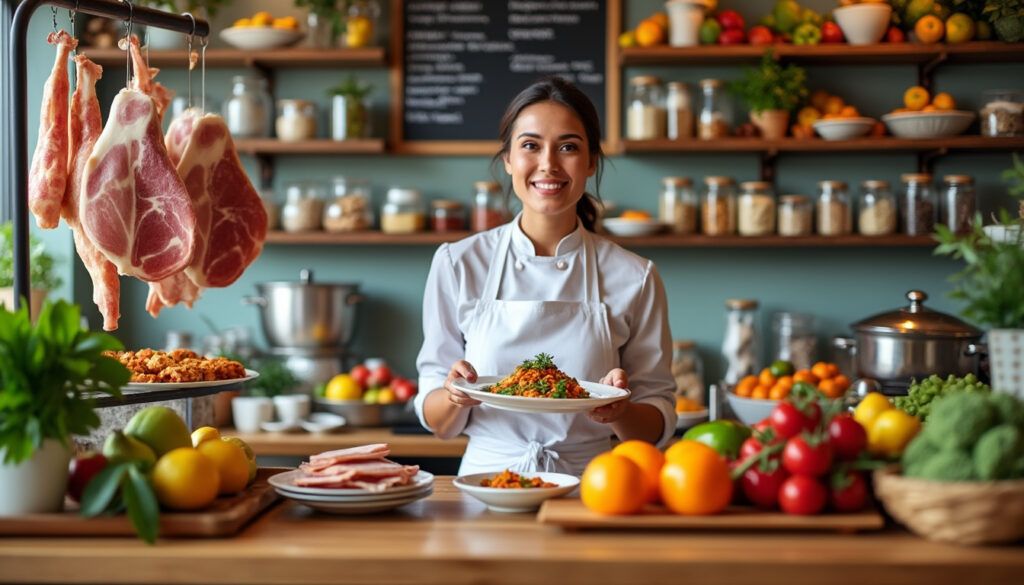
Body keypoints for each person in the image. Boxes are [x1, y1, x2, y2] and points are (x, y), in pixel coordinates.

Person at [414, 76, 676, 476]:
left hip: (594, 485)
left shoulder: (635, 276)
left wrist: (620, 412)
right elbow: (438, 423)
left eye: (568, 147)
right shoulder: (458, 263)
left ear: (591, 162)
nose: (549, 164)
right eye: (530, 146)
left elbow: (656, 422)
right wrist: (453, 395)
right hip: (485, 483)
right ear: (508, 159)